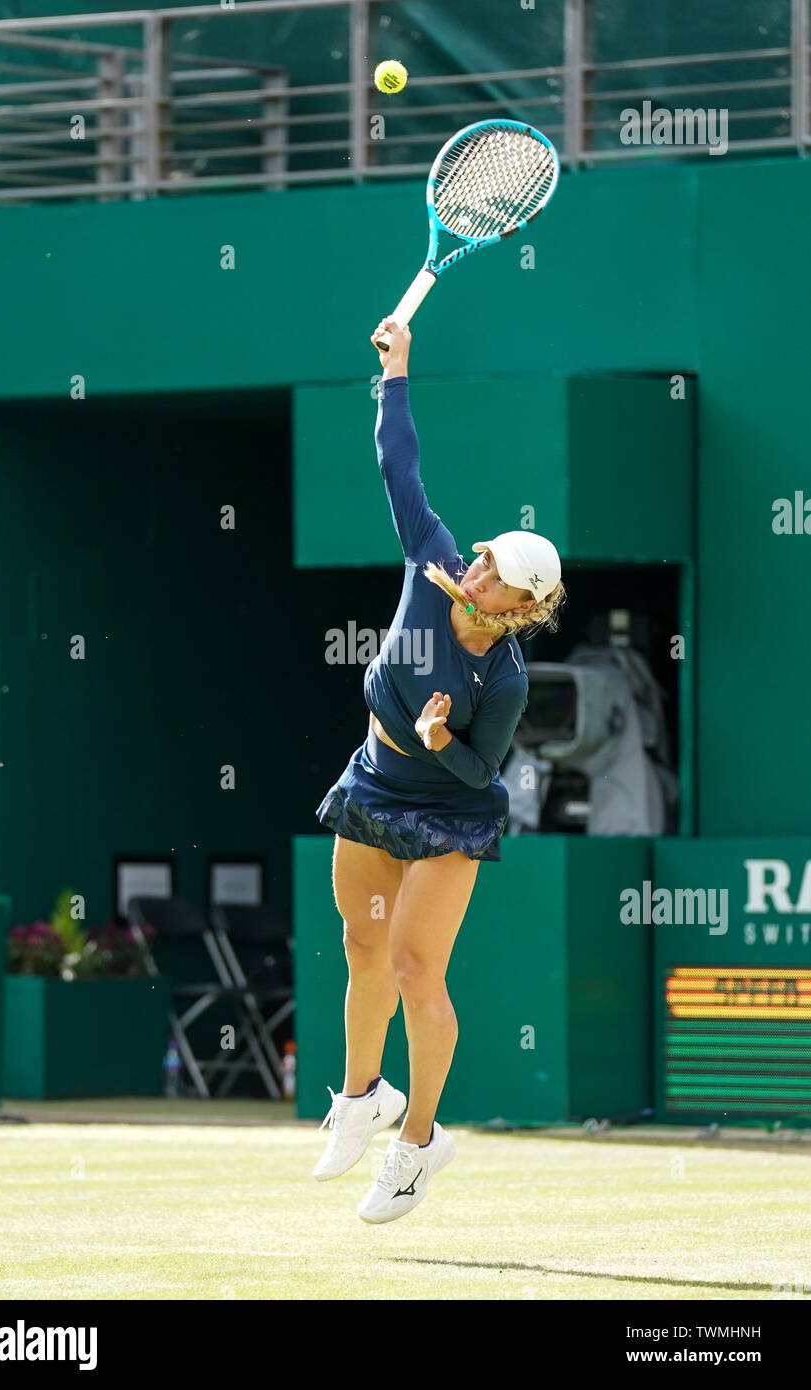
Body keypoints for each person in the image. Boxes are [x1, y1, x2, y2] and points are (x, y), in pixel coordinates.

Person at [313, 318, 565, 1223]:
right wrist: (397, 370)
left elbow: (482, 776)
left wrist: (437, 743)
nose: (475, 561)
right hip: (372, 786)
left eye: (492, 566)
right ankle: (361, 1097)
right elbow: (399, 467)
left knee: (419, 969)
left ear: (518, 605)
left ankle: (417, 1143)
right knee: (359, 948)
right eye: (480, 552)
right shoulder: (430, 564)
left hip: (449, 814)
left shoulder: (503, 678)